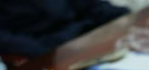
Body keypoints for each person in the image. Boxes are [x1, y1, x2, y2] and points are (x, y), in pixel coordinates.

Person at [0, 0, 129, 57]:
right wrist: (40, 48)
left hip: (83, 43)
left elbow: (92, 7)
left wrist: (128, 16)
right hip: (43, 55)